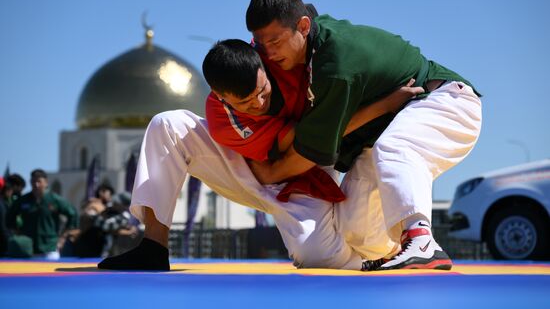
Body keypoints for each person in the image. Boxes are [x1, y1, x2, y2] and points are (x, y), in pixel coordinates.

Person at [97, 40, 423, 271]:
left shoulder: (281, 62)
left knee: (316, 256)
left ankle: (376, 259)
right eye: (246, 103)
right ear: (221, 98)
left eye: (261, 91)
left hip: (306, 174)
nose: (259, 104)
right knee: (168, 123)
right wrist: (384, 104)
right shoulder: (222, 118)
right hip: (261, 168)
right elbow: (276, 167)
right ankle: (154, 246)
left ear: (261, 67)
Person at [244, 0, 482, 270]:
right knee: (355, 227)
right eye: (261, 43)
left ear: (304, 26)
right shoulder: (312, 48)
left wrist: (269, 173)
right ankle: (392, 253)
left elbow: (309, 152)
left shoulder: (334, 66)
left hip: (443, 101)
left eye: (276, 41)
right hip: (387, 128)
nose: (268, 53)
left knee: (395, 147)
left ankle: (421, 239)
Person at [6, 169, 78, 259]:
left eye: (39, 182)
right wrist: (17, 234)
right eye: (33, 182)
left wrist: (63, 238)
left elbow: (73, 214)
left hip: (50, 249)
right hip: (29, 250)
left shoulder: (54, 199)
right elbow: (9, 217)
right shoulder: (23, 200)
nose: (36, 185)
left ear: (46, 183)